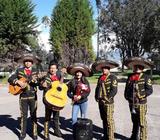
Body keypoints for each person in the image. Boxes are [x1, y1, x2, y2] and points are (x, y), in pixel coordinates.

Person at [8, 54, 39, 140]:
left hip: (33, 96)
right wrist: (17, 81)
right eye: (26, 61)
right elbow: (10, 79)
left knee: (34, 115)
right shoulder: (19, 70)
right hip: (23, 97)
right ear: (24, 62)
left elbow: (39, 83)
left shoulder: (36, 71)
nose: (28, 63)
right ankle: (22, 133)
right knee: (23, 116)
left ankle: (35, 133)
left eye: (29, 61)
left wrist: (36, 81)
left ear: (32, 63)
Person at [124, 57, 153, 140]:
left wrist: (140, 95)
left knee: (142, 122)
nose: (137, 68)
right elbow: (127, 88)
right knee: (134, 121)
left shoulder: (146, 77)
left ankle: (143, 138)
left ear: (142, 69)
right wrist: (127, 96)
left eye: (139, 67)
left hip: (141, 103)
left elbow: (150, 90)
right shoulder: (130, 76)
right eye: (136, 67)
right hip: (132, 103)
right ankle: (134, 137)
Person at [92, 59, 119, 140]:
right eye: (103, 69)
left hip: (108, 102)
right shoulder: (100, 77)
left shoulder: (112, 77)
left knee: (109, 120)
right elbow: (97, 88)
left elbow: (114, 90)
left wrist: (107, 98)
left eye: (106, 69)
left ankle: (111, 137)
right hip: (100, 102)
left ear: (108, 69)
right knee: (103, 119)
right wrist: (96, 97)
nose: (104, 70)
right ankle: (105, 135)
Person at [39, 61, 63, 140]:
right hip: (48, 100)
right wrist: (42, 85)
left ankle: (57, 131)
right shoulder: (45, 76)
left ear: (56, 69)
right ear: (49, 69)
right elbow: (40, 86)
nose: (52, 70)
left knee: (56, 117)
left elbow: (62, 86)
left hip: (57, 100)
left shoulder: (59, 75)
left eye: (54, 68)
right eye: (51, 68)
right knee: (47, 117)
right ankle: (46, 134)